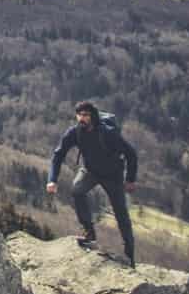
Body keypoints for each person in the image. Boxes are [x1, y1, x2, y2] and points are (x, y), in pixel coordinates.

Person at [47, 100, 139, 267]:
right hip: (90, 171)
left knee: (121, 215)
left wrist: (130, 179)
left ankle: (130, 255)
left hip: (113, 175)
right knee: (77, 190)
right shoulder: (75, 132)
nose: (82, 118)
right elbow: (58, 155)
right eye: (79, 115)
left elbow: (131, 153)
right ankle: (89, 234)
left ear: (93, 116)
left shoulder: (108, 133)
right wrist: (52, 179)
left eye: (86, 115)